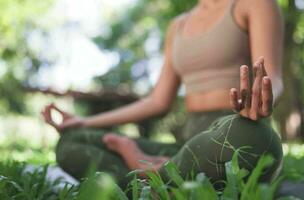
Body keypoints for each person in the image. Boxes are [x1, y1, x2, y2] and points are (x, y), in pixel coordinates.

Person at [42, 0, 284, 189]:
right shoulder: (178, 26)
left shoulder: (254, 3)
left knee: (253, 139)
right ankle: (167, 179)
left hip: (239, 136)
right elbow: (158, 100)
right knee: (70, 142)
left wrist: (262, 96)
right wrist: (85, 122)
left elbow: (272, 75)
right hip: (186, 149)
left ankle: (154, 177)